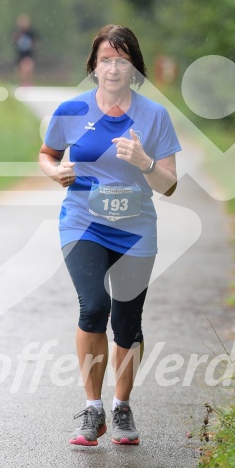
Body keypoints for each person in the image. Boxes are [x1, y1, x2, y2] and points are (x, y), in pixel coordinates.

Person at [39, 24, 181, 446]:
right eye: (105, 60)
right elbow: (48, 154)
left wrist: (144, 161)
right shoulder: (71, 110)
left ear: (134, 68)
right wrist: (55, 171)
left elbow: (169, 183)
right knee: (93, 306)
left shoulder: (154, 116)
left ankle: (121, 407)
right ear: (94, 67)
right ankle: (92, 409)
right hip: (83, 221)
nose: (113, 68)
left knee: (126, 321)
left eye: (121, 60)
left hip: (135, 229)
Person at [12, 14, 39, 86]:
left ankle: (29, 82)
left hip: (29, 53)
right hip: (20, 54)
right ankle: (23, 82)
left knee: (29, 67)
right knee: (21, 69)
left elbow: (36, 41)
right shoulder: (17, 32)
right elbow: (14, 41)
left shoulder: (31, 33)